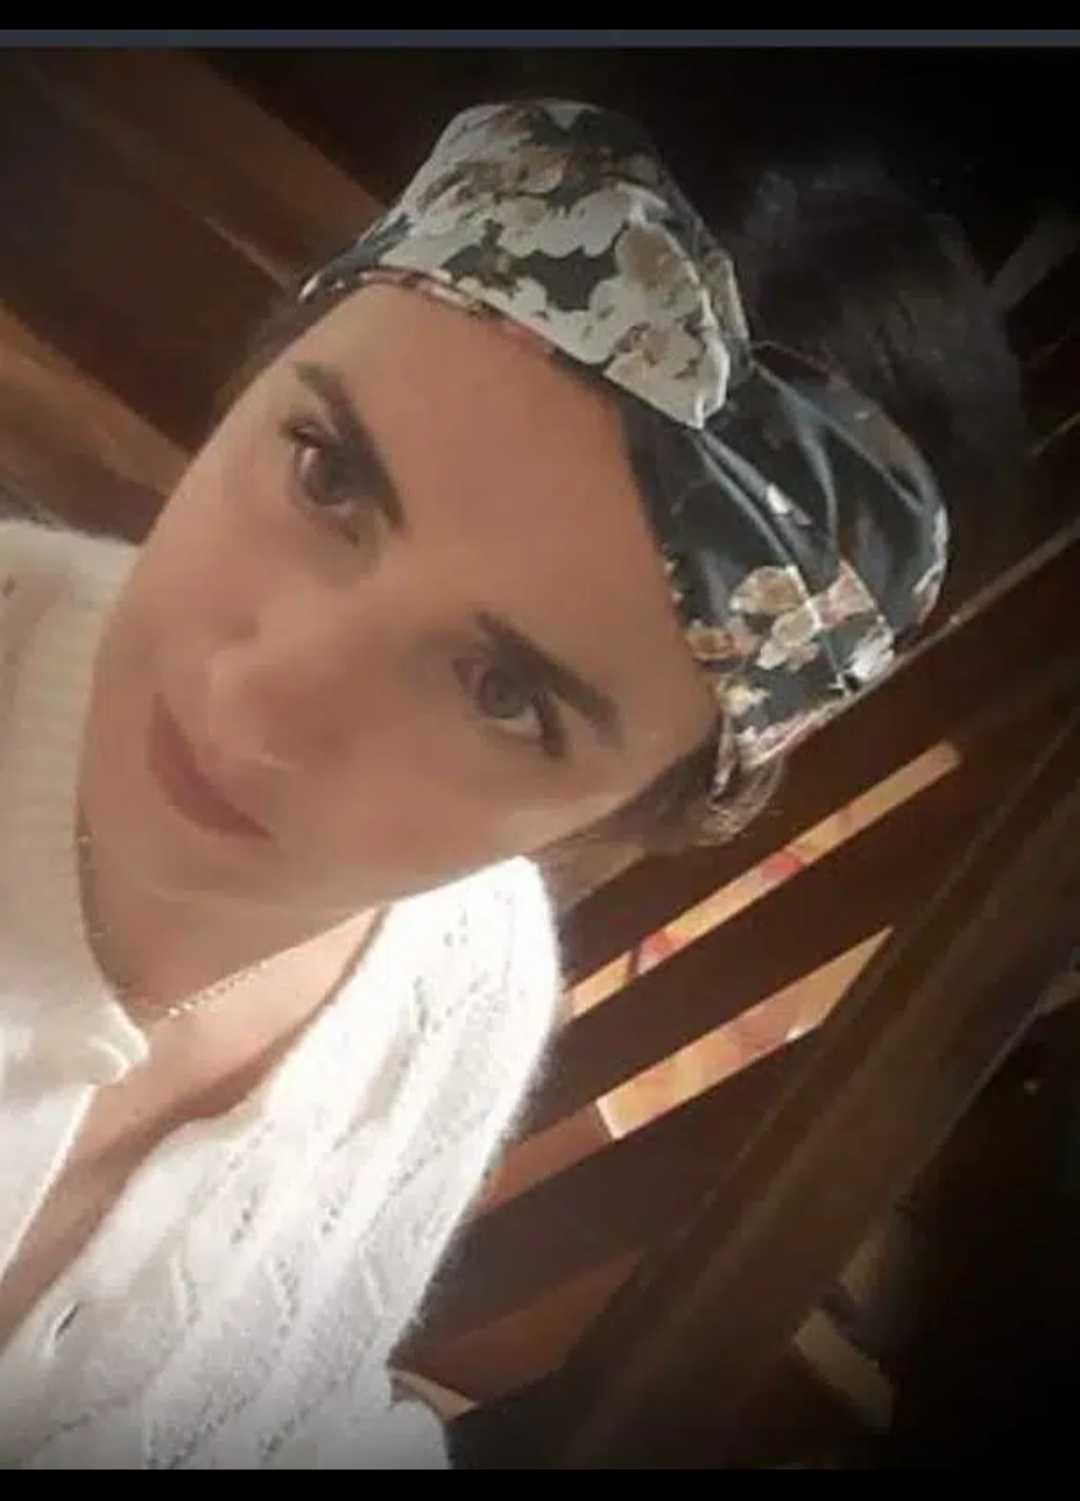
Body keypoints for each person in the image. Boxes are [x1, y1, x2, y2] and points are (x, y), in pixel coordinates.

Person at [0, 98, 1024, 1469]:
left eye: (503, 692)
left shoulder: (463, 989)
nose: (258, 696)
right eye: (328, 474)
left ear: (649, 810)